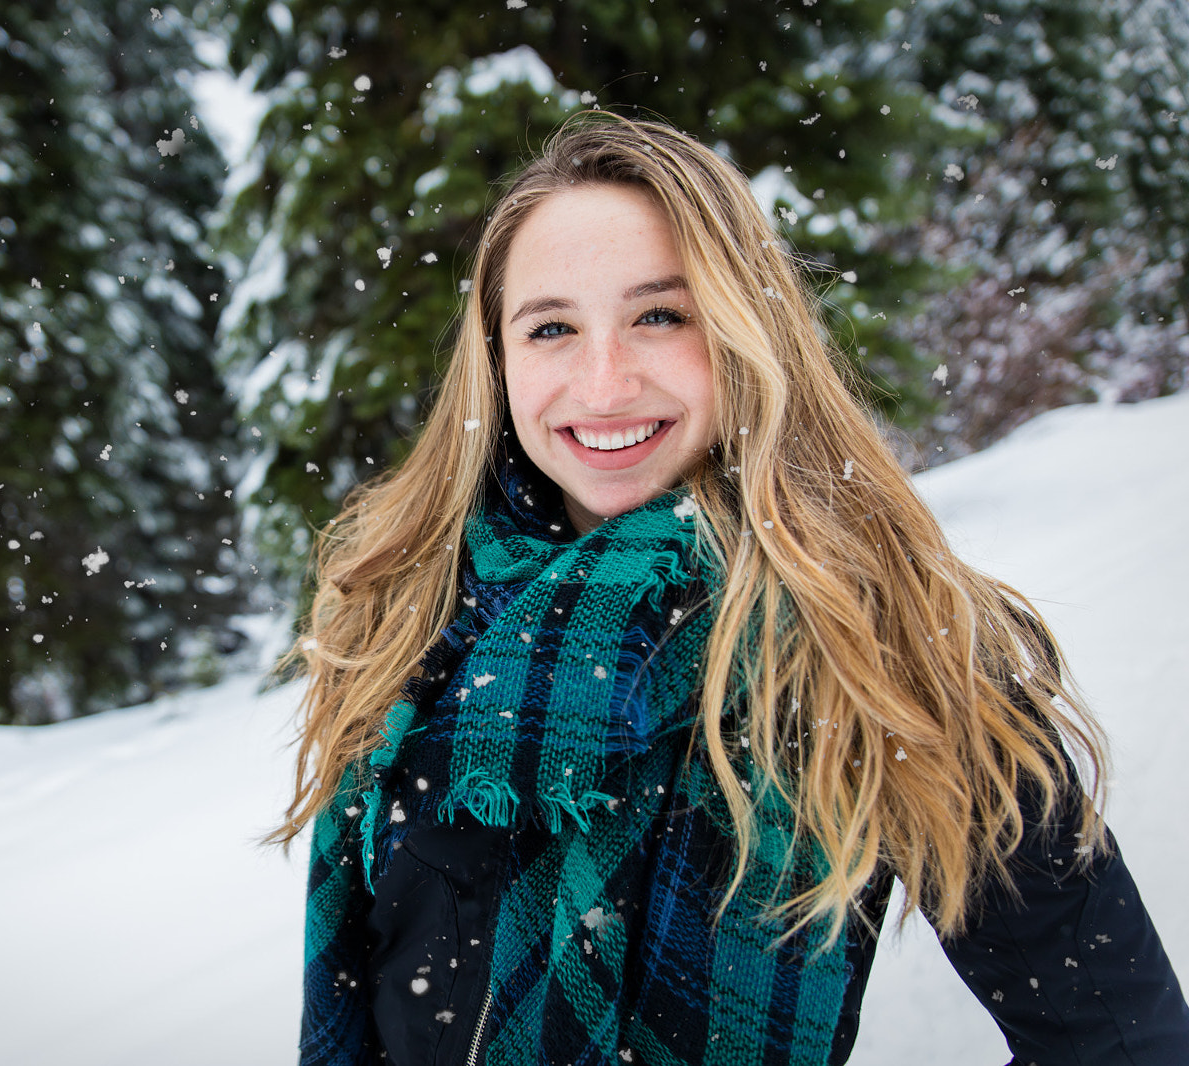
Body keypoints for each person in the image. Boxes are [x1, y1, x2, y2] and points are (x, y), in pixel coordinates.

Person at [271, 113, 1189, 1066]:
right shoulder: (407, 610)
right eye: (551, 328)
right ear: (498, 362)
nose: (604, 380)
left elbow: (1120, 1039)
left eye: (660, 315)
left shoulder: (886, 633)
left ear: (747, 331)